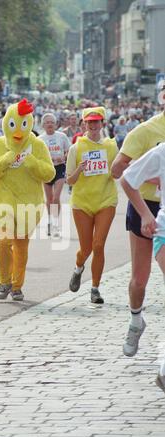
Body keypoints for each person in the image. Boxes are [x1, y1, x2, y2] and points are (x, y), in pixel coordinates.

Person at [0, 99, 55, 300]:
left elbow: (49, 173)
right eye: (13, 124)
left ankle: (17, 285)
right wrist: (6, 159)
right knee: (4, 241)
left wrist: (30, 161)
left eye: (23, 124)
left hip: (28, 203)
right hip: (1, 200)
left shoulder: (37, 145)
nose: (18, 131)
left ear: (30, 123)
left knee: (21, 245)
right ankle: (3, 282)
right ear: (6, 123)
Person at [111, 88, 165, 359]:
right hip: (147, 207)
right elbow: (117, 170)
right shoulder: (145, 131)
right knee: (140, 280)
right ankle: (135, 321)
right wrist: (153, 176)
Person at [120, 143, 165, 393]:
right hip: (164, 231)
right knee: (138, 280)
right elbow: (127, 178)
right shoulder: (162, 151)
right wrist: (147, 215)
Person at [66, 107, 118, 304]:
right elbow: (69, 181)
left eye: (97, 122)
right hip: (82, 203)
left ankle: (95, 288)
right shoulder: (76, 148)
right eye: (90, 122)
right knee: (86, 249)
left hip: (106, 200)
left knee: (98, 245)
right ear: (84, 124)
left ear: (102, 123)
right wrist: (79, 169)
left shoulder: (111, 147)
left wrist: (117, 171)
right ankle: (79, 267)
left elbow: (118, 173)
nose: (94, 126)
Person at [38, 113, 70, 237]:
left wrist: (63, 157)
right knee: (49, 199)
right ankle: (50, 221)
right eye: (47, 122)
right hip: (46, 170)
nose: (50, 124)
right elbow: (37, 155)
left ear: (56, 124)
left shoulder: (62, 136)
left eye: (52, 122)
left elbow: (69, 150)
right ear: (43, 125)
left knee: (56, 198)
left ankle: (56, 224)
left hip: (60, 168)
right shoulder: (40, 139)